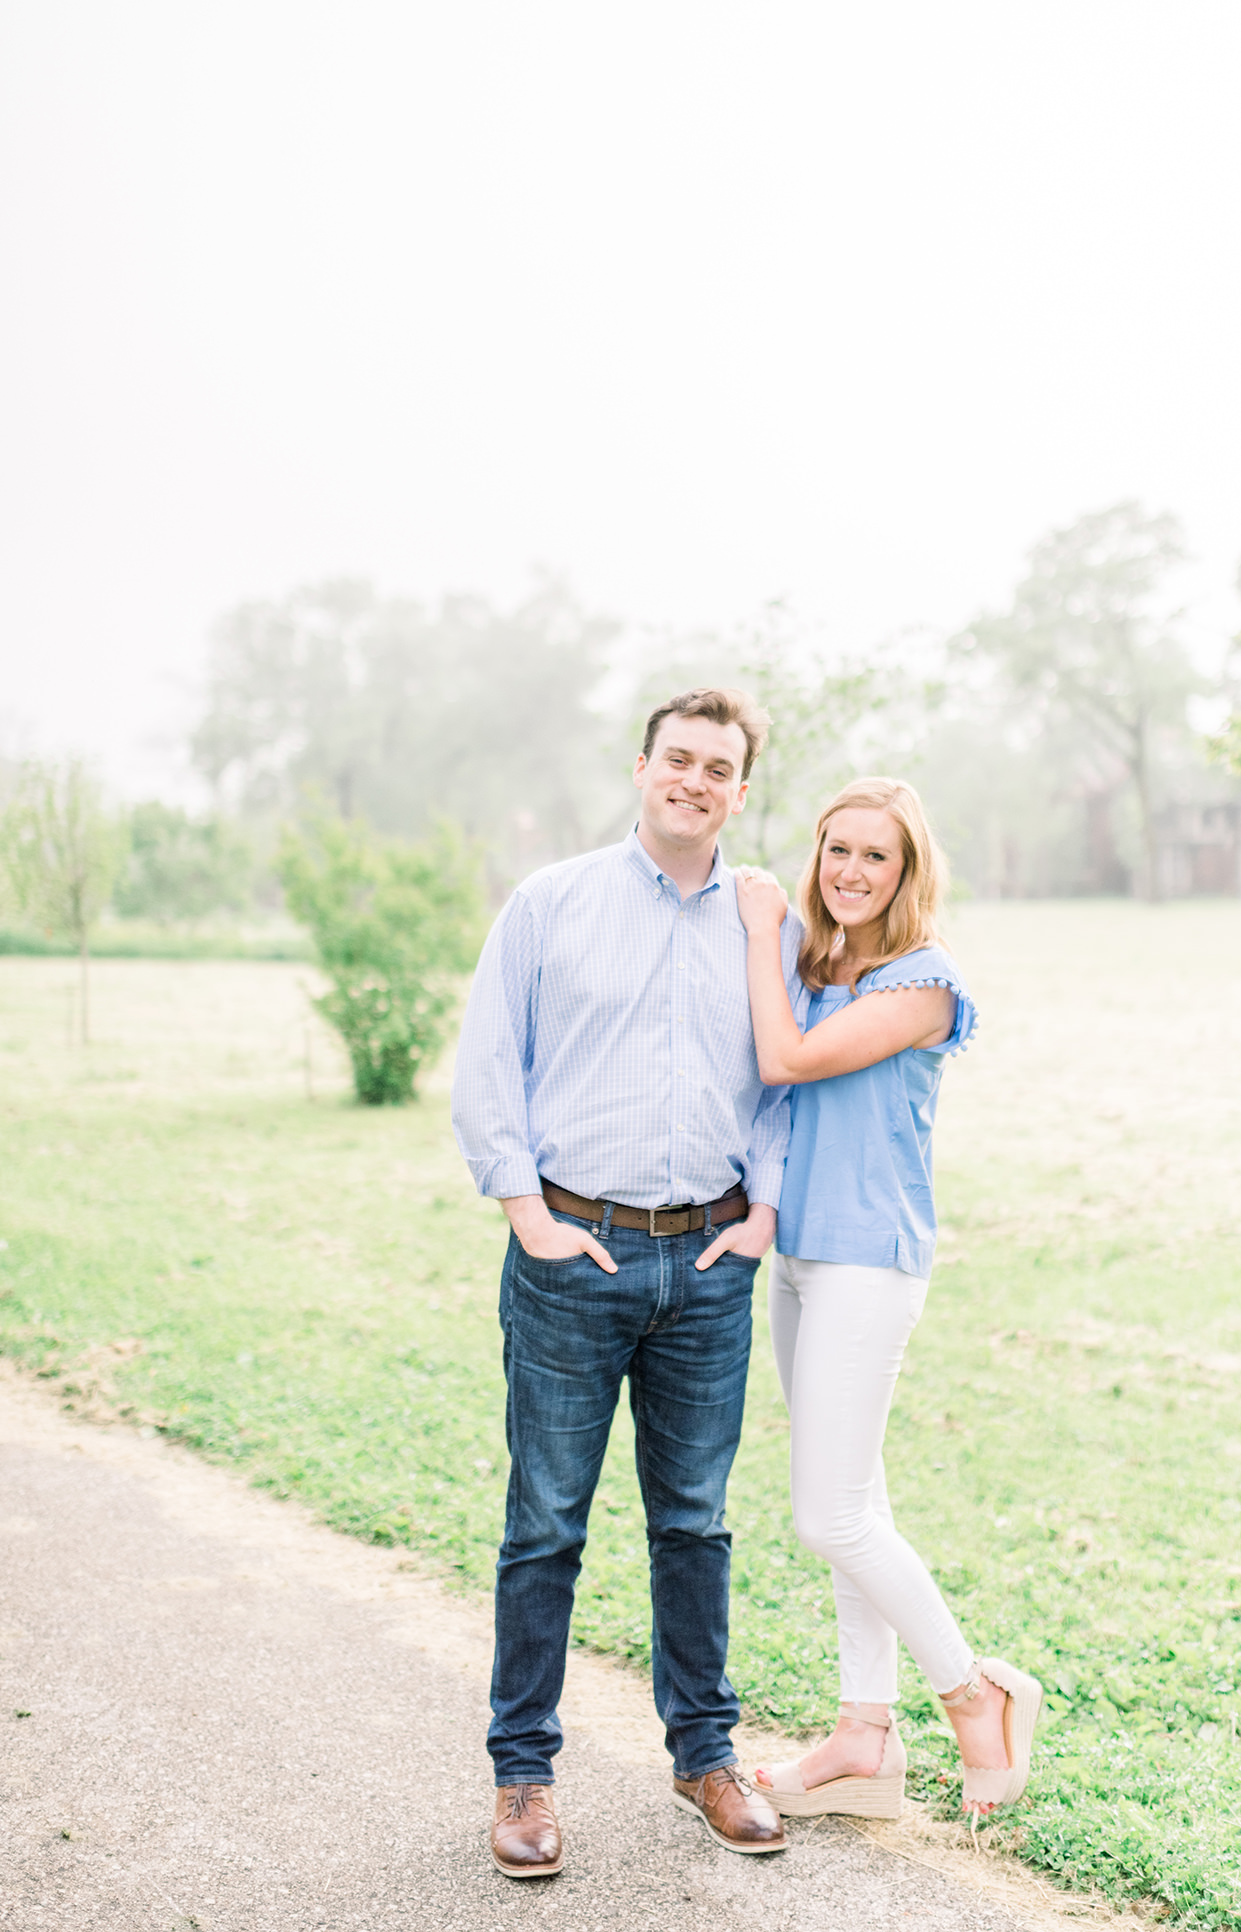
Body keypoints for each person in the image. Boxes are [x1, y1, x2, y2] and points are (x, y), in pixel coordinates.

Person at [452, 688, 799, 1880]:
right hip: (573, 1257)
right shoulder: (552, 903)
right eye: (678, 760)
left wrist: (759, 1214)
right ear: (641, 768)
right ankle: (522, 1779)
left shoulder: (766, 923)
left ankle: (708, 1758)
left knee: (694, 1522)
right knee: (545, 1521)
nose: (694, 781)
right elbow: (489, 1061)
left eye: (719, 770)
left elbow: (783, 1079)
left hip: (706, 1265)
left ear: (740, 795)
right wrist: (525, 1214)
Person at [733, 777, 1042, 1825]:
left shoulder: (922, 983)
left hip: (871, 1259)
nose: (851, 871)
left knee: (827, 1515)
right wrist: (784, 942)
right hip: (803, 1259)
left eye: (876, 856)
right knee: (857, 1503)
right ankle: (863, 1738)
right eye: (837, 850)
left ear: (908, 872)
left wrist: (758, 923)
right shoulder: (823, 966)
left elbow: (785, 1059)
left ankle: (973, 1694)